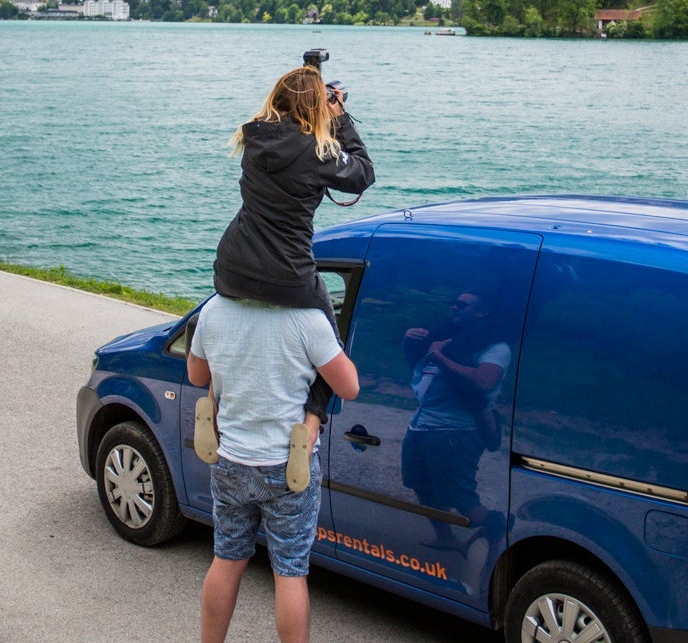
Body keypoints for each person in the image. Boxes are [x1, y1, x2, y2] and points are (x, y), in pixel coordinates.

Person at [206, 65, 375, 485]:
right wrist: (339, 117)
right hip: (288, 271)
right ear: (317, 106)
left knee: (217, 327)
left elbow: (286, 124)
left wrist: (308, 92)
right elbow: (362, 173)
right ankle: (311, 424)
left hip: (232, 266)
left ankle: (212, 405)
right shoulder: (318, 151)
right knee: (330, 350)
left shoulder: (254, 136)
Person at [188, 294, 360, 643]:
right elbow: (349, 386)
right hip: (286, 465)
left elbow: (196, 374)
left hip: (231, 457)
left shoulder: (214, 309)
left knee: (227, 558)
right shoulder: (307, 317)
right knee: (290, 572)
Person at [401, 290, 510, 552]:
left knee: (462, 497)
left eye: (462, 305)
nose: (454, 308)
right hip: (421, 425)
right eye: (454, 304)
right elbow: (421, 372)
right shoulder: (449, 339)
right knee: (421, 485)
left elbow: (484, 381)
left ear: (482, 312)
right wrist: (410, 343)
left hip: (454, 432)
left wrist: (439, 355)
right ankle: (446, 538)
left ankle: (499, 537)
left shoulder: (495, 347)